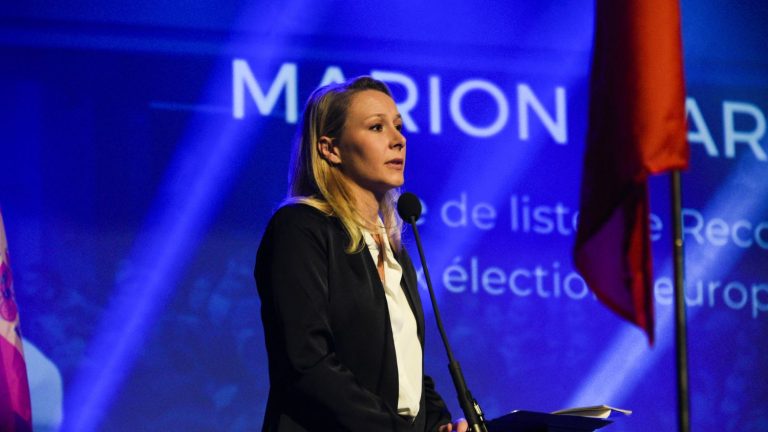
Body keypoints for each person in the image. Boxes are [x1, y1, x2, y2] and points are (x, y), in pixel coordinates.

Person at [255, 76, 468, 432]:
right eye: (376, 127)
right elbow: (307, 364)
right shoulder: (299, 228)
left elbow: (406, 372)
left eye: (398, 127)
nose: (398, 140)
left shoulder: (393, 249)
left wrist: (439, 424)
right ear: (330, 148)